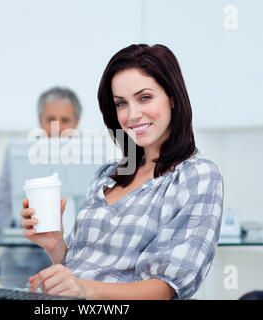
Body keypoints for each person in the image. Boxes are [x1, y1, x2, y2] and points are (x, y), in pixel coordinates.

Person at [20, 44, 224, 300]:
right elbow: (85, 267)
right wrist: (56, 245)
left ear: (172, 96)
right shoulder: (108, 176)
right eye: (121, 103)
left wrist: (84, 289)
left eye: (145, 98)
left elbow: (163, 289)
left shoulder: (196, 176)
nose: (132, 115)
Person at [0, 86, 82, 288]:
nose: (57, 127)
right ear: (40, 121)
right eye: (50, 120)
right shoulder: (19, 155)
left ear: (76, 123)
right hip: (22, 257)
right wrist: (21, 227)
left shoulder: (90, 157)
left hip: (73, 258)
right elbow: (0, 211)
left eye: (65, 120)